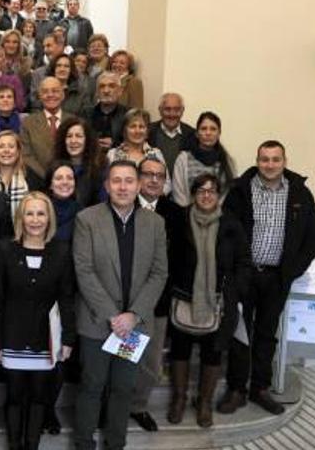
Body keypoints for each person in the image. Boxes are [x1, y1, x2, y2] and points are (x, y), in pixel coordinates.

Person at [218, 141, 315, 415]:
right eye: (265, 159)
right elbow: (226, 231)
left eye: (275, 159)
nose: (270, 165)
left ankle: (260, 388)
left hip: (276, 278)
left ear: (284, 161)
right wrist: (232, 268)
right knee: (240, 334)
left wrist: (294, 270)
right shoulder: (241, 190)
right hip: (245, 275)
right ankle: (237, 389)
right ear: (257, 160)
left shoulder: (299, 192)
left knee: (267, 333)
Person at [71, 160, 168, 450]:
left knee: (124, 387)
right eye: (116, 181)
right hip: (97, 321)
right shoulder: (87, 219)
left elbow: (159, 272)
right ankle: (84, 443)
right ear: (106, 186)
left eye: (129, 181)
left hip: (134, 326)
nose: (123, 187)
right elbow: (84, 270)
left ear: (139, 185)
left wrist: (134, 315)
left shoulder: (155, 223)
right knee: (92, 385)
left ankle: (116, 442)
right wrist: (114, 316)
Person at [0, 191, 75, 450]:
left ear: (49, 218)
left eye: (41, 213)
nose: (35, 220)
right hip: (12, 336)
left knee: (39, 397)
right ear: (21, 217)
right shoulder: (5, 249)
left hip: (46, 338)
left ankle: (32, 444)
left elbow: (66, 298)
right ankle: (15, 445)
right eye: (30, 213)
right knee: (15, 397)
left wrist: (69, 338)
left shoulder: (61, 251)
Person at [165, 174, 250, 428]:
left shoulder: (231, 224)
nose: (206, 195)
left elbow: (244, 262)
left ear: (219, 195)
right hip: (183, 299)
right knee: (179, 352)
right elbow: (166, 257)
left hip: (218, 303)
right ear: (193, 194)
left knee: (212, 354)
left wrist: (233, 292)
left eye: (212, 191)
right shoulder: (179, 220)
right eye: (201, 191)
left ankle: (204, 403)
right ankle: (179, 399)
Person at [128, 155, 179, 431]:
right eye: (148, 174)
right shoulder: (123, 206)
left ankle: (138, 406)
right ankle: (114, 406)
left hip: (157, 302)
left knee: (150, 361)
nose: (154, 180)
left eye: (160, 175)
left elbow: (179, 260)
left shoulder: (175, 213)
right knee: (122, 358)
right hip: (124, 302)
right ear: (138, 179)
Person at [21, 77, 81, 180]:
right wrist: (48, 177)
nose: (50, 95)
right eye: (45, 92)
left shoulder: (74, 121)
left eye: (55, 91)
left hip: (71, 181)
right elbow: (27, 155)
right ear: (40, 96)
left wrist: (64, 176)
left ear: (63, 95)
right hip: (39, 181)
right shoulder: (28, 123)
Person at [171, 111, 236, 207]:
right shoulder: (183, 158)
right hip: (187, 216)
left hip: (217, 218)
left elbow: (226, 194)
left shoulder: (226, 161)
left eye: (213, 129)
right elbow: (179, 193)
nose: (208, 133)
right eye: (203, 129)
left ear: (219, 133)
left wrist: (212, 214)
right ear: (197, 133)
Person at [0, 131, 43, 220]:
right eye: (1, 147)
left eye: (11, 146)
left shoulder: (31, 177)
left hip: (22, 232)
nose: (6, 150)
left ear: (18, 152)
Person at [52, 117, 105, 207]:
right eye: (69, 136)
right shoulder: (54, 167)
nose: (73, 141)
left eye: (79, 136)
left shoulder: (100, 168)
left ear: (87, 139)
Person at [148, 92, 195, 174]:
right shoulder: (148, 131)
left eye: (176, 109)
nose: (172, 114)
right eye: (167, 109)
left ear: (182, 110)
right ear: (160, 110)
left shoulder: (192, 134)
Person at [80, 71, 129, 149]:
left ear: (120, 91)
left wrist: (115, 144)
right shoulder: (86, 114)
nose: (106, 91)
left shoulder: (128, 115)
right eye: (102, 86)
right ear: (97, 92)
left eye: (111, 86)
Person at [45, 160, 82, 242]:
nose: (65, 182)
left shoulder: (82, 214)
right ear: (50, 184)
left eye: (70, 178)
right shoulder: (40, 210)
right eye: (58, 178)